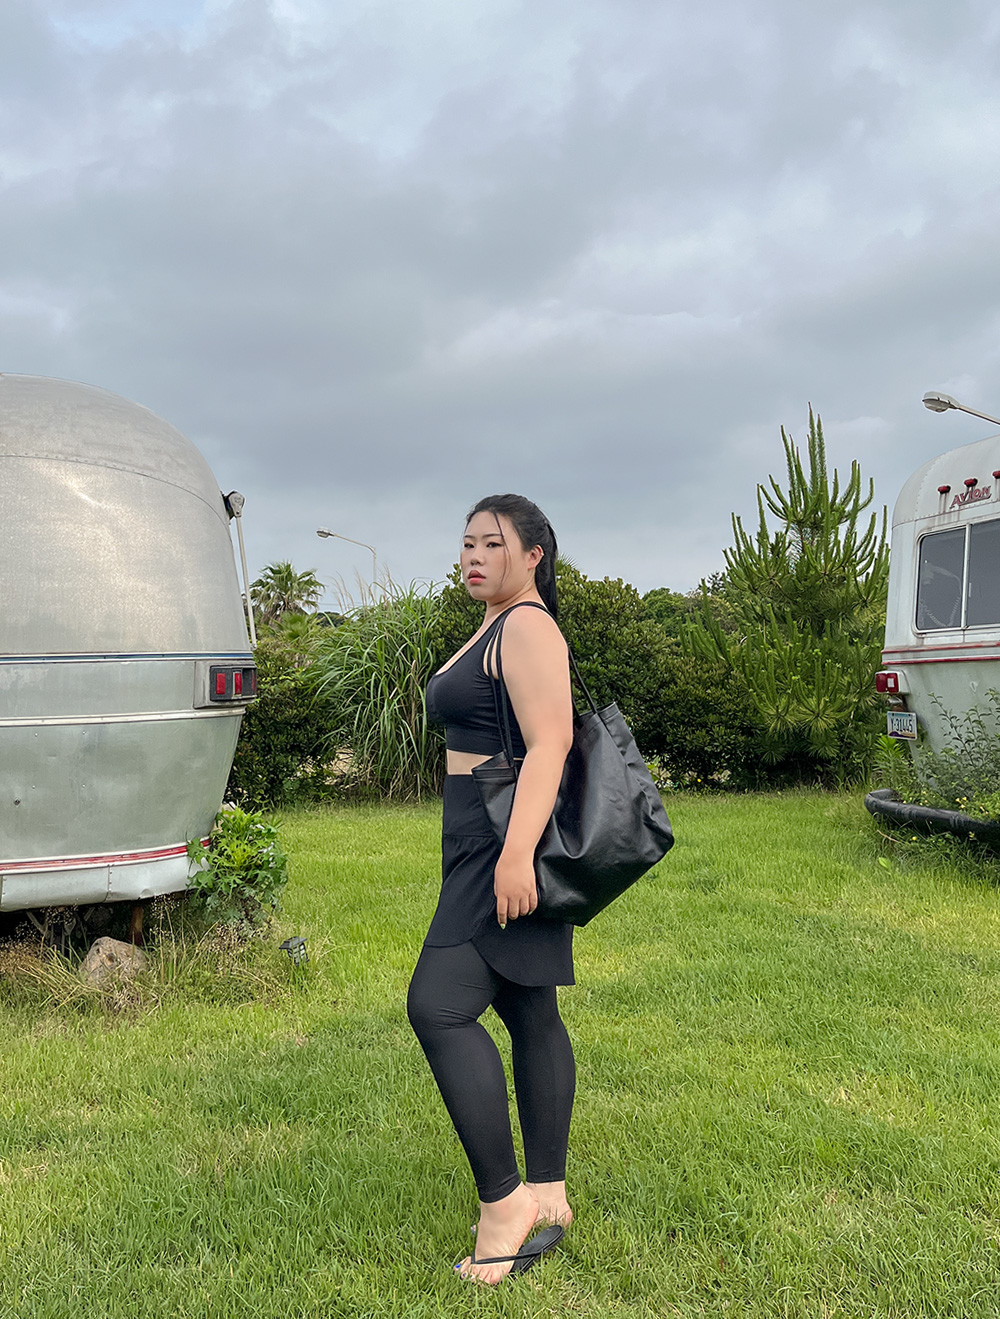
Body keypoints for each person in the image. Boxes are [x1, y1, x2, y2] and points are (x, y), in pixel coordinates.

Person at [407, 493, 577, 1286]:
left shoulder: (528, 626)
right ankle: (548, 1189)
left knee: (438, 1006)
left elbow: (551, 743)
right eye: (467, 542)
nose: (473, 555)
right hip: (481, 828)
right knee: (528, 1004)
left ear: (533, 554)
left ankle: (504, 1202)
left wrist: (514, 856)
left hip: (499, 838)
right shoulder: (495, 622)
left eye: (492, 543)